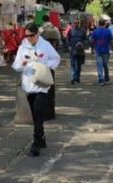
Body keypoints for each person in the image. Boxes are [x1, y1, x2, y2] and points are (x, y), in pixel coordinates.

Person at [13, 23, 60, 157]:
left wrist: (43, 65)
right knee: (35, 114)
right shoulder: (23, 47)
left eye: (31, 35)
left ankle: (36, 143)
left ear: (37, 34)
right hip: (29, 84)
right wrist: (21, 64)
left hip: (42, 84)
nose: (29, 38)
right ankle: (42, 137)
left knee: (38, 110)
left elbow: (56, 59)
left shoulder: (45, 45)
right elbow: (15, 65)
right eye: (26, 36)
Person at [91, 19, 113, 86]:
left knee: (99, 65)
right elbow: (111, 41)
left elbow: (92, 41)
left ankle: (101, 80)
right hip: (106, 51)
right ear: (104, 24)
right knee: (105, 65)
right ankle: (106, 79)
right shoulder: (108, 31)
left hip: (98, 50)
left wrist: (92, 49)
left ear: (99, 24)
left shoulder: (95, 31)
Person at [67, 18, 86, 84]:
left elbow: (85, 39)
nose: (76, 24)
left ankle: (77, 77)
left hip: (80, 51)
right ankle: (72, 78)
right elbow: (68, 39)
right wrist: (69, 46)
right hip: (72, 50)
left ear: (79, 23)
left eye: (77, 23)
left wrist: (83, 45)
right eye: (74, 23)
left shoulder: (82, 30)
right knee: (72, 64)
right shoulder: (71, 31)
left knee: (78, 65)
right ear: (73, 24)